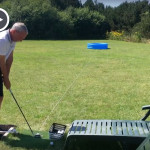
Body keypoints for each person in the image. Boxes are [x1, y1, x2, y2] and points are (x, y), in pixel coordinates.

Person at [0, 22, 28, 108]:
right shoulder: (3, 40)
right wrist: (6, 79)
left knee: (0, 97)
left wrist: (6, 77)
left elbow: (9, 59)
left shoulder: (13, 39)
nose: (21, 40)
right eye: (20, 37)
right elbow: (1, 62)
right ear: (14, 32)